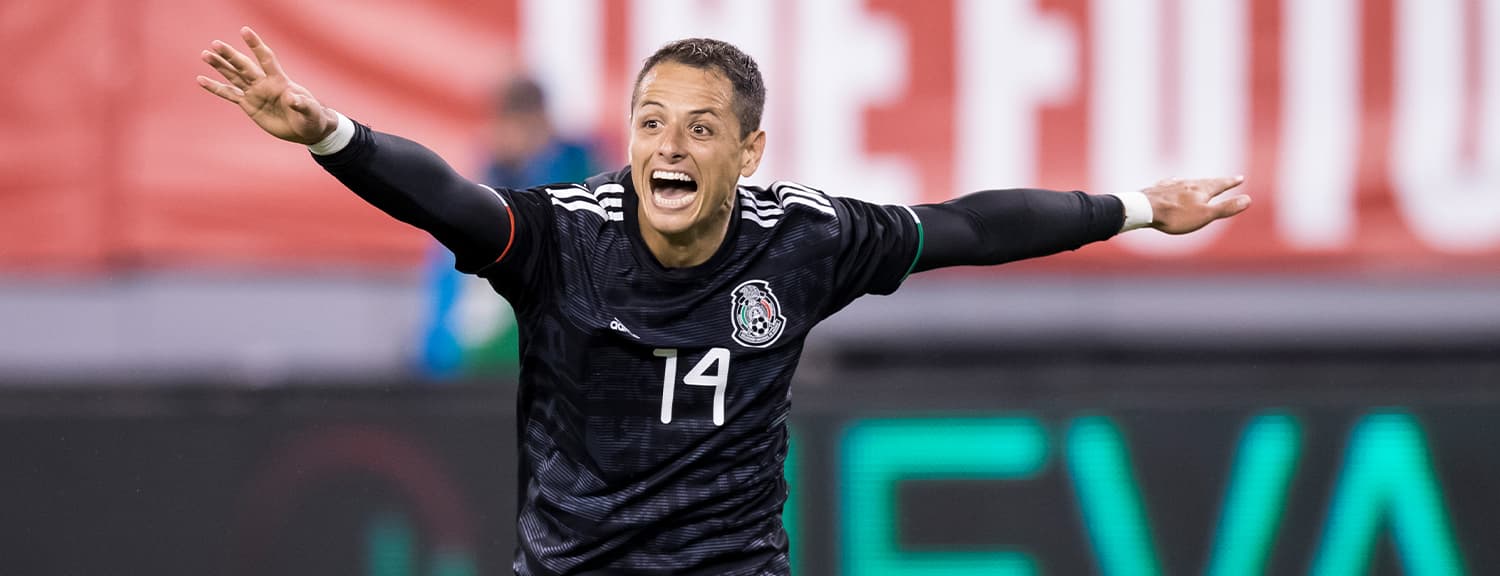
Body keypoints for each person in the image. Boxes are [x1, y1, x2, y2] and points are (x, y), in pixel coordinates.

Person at [198, 26, 1250, 575]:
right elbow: (449, 199)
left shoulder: (803, 240)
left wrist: (1137, 208)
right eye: (651, 122)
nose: (669, 146)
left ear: (748, 152)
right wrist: (331, 134)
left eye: (700, 128)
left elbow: (967, 228)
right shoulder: (564, 238)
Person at [422, 76, 600, 379]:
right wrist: (436, 359)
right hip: (476, 365)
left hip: (548, 362)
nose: (503, 136)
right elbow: (448, 289)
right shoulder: (481, 187)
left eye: (516, 124)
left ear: (541, 124)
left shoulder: (578, 179)